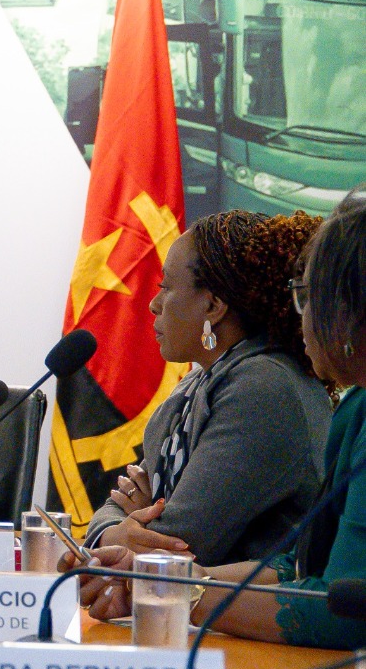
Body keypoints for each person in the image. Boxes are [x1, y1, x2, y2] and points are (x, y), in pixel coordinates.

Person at [83, 189, 366, 648]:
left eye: (307, 297)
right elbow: (296, 566)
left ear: (351, 309)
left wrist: (173, 587)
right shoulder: (355, 408)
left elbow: (344, 609)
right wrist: (151, 571)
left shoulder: (266, 387)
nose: (301, 316)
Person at [82, 211, 330, 566]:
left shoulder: (264, 389)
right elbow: (119, 501)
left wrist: (130, 526)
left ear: (213, 305)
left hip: (235, 600)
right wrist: (114, 532)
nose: (154, 304)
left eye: (166, 287)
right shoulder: (197, 385)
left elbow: (179, 544)